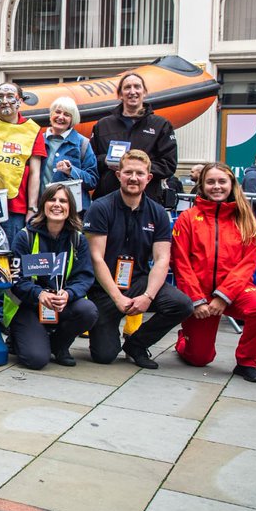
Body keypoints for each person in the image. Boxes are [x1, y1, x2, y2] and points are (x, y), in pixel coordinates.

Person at [83, 149, 191, 368]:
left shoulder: (158, 212)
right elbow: (96, 257)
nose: (134, 178)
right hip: (104, 288)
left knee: (181, 305)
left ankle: (137, 344)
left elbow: (162, 259)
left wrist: (148, 296)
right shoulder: (100, 207)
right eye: (128, 172)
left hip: (139, 282)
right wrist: (117, 298)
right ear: (118, 175)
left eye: (140, 173)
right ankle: (109, 332)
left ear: (148, 178)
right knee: (104, 356)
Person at [172, 163, 256, 383]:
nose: (216, 186)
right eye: (210, 182)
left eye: (222, 181)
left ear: (231, 184)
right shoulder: (188, 218)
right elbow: (181, 262)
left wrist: (223, 296)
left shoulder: (246, 219)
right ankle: (185, 340)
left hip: (236, 292)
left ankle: (247, 361)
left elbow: (248, 263)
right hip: (200, 296)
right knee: (200, 358)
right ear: (202, 186)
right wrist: (197, 301)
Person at [5, 183, 98, 369]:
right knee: (36, 360)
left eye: (63, 201)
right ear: (43, 205)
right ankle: (17, 338)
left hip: (62, 304)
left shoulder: (78, 239)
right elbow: (15, 278)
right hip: (28, 306)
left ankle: (59, 345)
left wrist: (68, 294)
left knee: (88, 311)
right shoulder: (25, 237)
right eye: (51, 199)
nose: (57, 204)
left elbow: (85, 276)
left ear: (70, 207)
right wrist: (39, 294)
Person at [90, 72, 177, 206]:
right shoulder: (102, 125)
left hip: (147, 201)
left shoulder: (161, 125)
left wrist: (137, 169)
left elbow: (169, 165)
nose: (132, 91)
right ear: (120, 94)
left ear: (144, 92)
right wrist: (105, 161)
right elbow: (90, 161)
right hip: (107, 201)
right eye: (127, 87)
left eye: (137, 87)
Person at [0, 82, 45, 245]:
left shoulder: (33, 130)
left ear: (20, 101)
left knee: (10, 253)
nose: (5, 101)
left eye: (10, 96)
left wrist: (32, 208)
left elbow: (35, 173)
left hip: (15, 207)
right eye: (0, 97)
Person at [41, 97, 98, 213]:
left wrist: (71, 171)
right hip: (43, 209)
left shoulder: (83, 144)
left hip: (73, 212)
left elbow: (92, 180)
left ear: (72, 119)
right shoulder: (38, 141)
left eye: (67, 114)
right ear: (51, 114)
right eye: (57, 112)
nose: (61, 117)